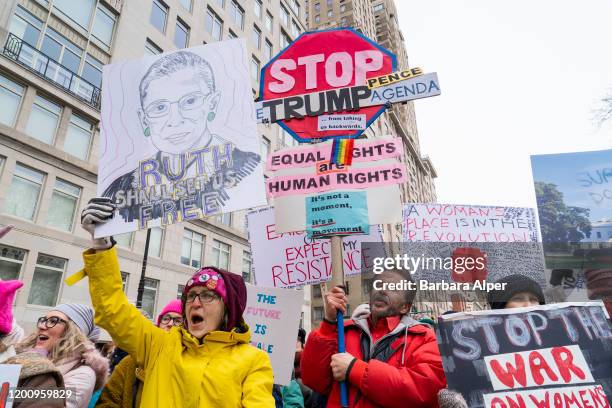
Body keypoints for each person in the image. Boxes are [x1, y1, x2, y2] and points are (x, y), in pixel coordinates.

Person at [80, 199, 274, 407]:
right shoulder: (158, 346)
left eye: (208, 296)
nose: (195, 303)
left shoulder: (253, 360)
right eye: (190, 296)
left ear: (227, 309)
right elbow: (113, 310)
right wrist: (101, 245)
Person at [102, 50, 262, 226]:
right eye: (159, 107)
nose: (175, 120)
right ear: (144, 119)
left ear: (212, 103)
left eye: (190, 101)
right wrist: (101, 241)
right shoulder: (122, 187)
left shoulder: (248, 168)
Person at [301, 270, 446, 407]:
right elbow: (313, 380)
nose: (382, 290)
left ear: (405, 307)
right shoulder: (344, 331)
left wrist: (354, 368)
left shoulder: (425, 338)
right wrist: (329, 322)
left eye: (393, 288)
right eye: (378, 285)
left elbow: (423, 390)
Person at [10, 304, 108, 408]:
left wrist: (36, 362)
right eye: (43, 320)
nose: (41, 326)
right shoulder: (23, 353)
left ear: (72, 331)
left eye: (53, 321)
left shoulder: (83, 374)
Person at [97, 299, 183, 408]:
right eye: (166, 319)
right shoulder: (130, 363)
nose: (170, 324)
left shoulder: (191, 366)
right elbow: (107, 401)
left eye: (178, 320)